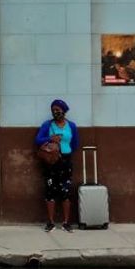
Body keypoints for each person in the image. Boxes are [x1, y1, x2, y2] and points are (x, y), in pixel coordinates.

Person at [35, 99, 79, 233]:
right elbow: (37, 140)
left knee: (65, 191)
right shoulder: (47, 125)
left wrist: (65, 151)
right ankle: (50, 222)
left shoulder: (71, 126)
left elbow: (75, 143)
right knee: (50, 191)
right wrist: (50, 139)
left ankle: (66, 222)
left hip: (65, 160)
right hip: (51, 161)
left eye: (58, 110)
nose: (56, 112)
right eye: (53, 110)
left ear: (64, 111)